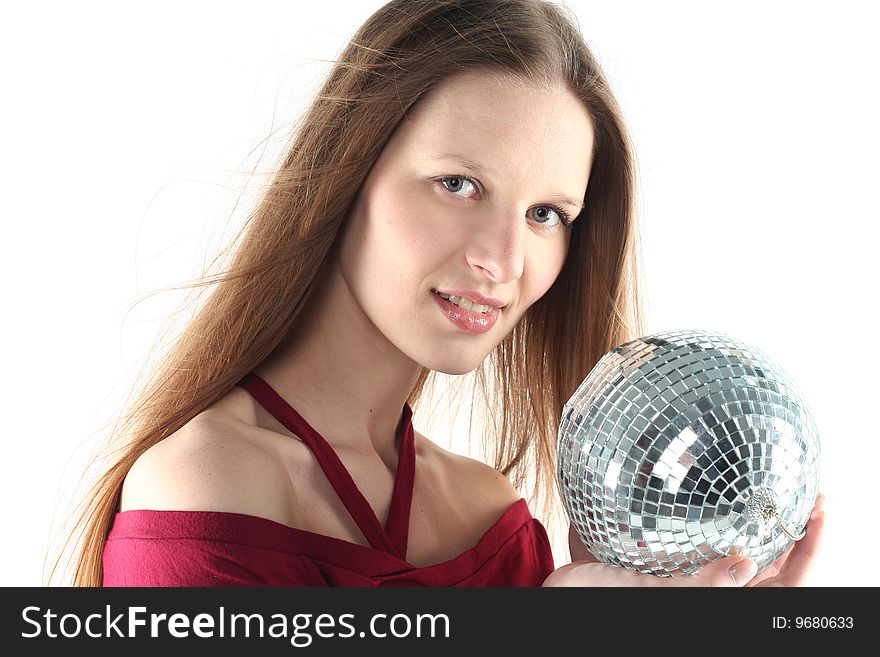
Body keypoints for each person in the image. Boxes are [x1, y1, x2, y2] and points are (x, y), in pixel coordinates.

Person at [59, 0, 824, 587]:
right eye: (458, 184)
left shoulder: (492, 520)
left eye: (545, 214)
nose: (502, 259)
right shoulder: (208, 482)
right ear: (351, 171)